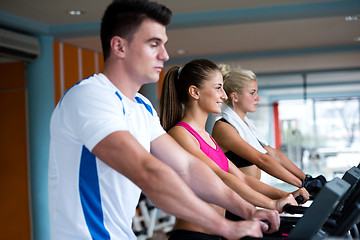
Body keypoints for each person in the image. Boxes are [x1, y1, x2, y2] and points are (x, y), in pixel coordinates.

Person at [48, 1, 280, 239]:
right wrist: (225, 227)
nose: (165, 54)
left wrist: (249, 211)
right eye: (153, 44)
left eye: (164, 44)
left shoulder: (142, 107)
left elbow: (188, 168)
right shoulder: (90, 96)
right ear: (119, 46)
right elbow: (147, 171)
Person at [159, 59, 308, 239]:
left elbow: (242, 178)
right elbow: (221, 177)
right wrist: (272, 204)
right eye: (218, 88)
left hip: (217, 234)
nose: (224, 95)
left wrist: (287, 196)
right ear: (195, 92)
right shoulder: (180, 134)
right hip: (193, 235)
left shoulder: (208, 138)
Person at [212, 64, 326, 195]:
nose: (257, 97)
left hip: (248, 199)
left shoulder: (246, 126)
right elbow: (261, 160)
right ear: (235, 97)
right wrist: (302, 184)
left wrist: (306, 178)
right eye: (252, 92)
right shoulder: (224, 127)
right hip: (232, 202)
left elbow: (274, 154)